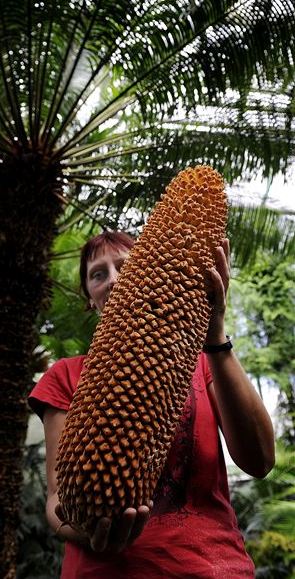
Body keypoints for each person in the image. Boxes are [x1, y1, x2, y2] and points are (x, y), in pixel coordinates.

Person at [28, 230, 275, 579]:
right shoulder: (65, 375)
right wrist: (83, 531)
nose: (114, 280)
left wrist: (215, 335)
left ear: (152, 273)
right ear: (88, 296)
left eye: (126, 266)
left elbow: (260, 461)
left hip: (212, 567)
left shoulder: (200, 361)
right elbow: (57, 498)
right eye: (98, 274)